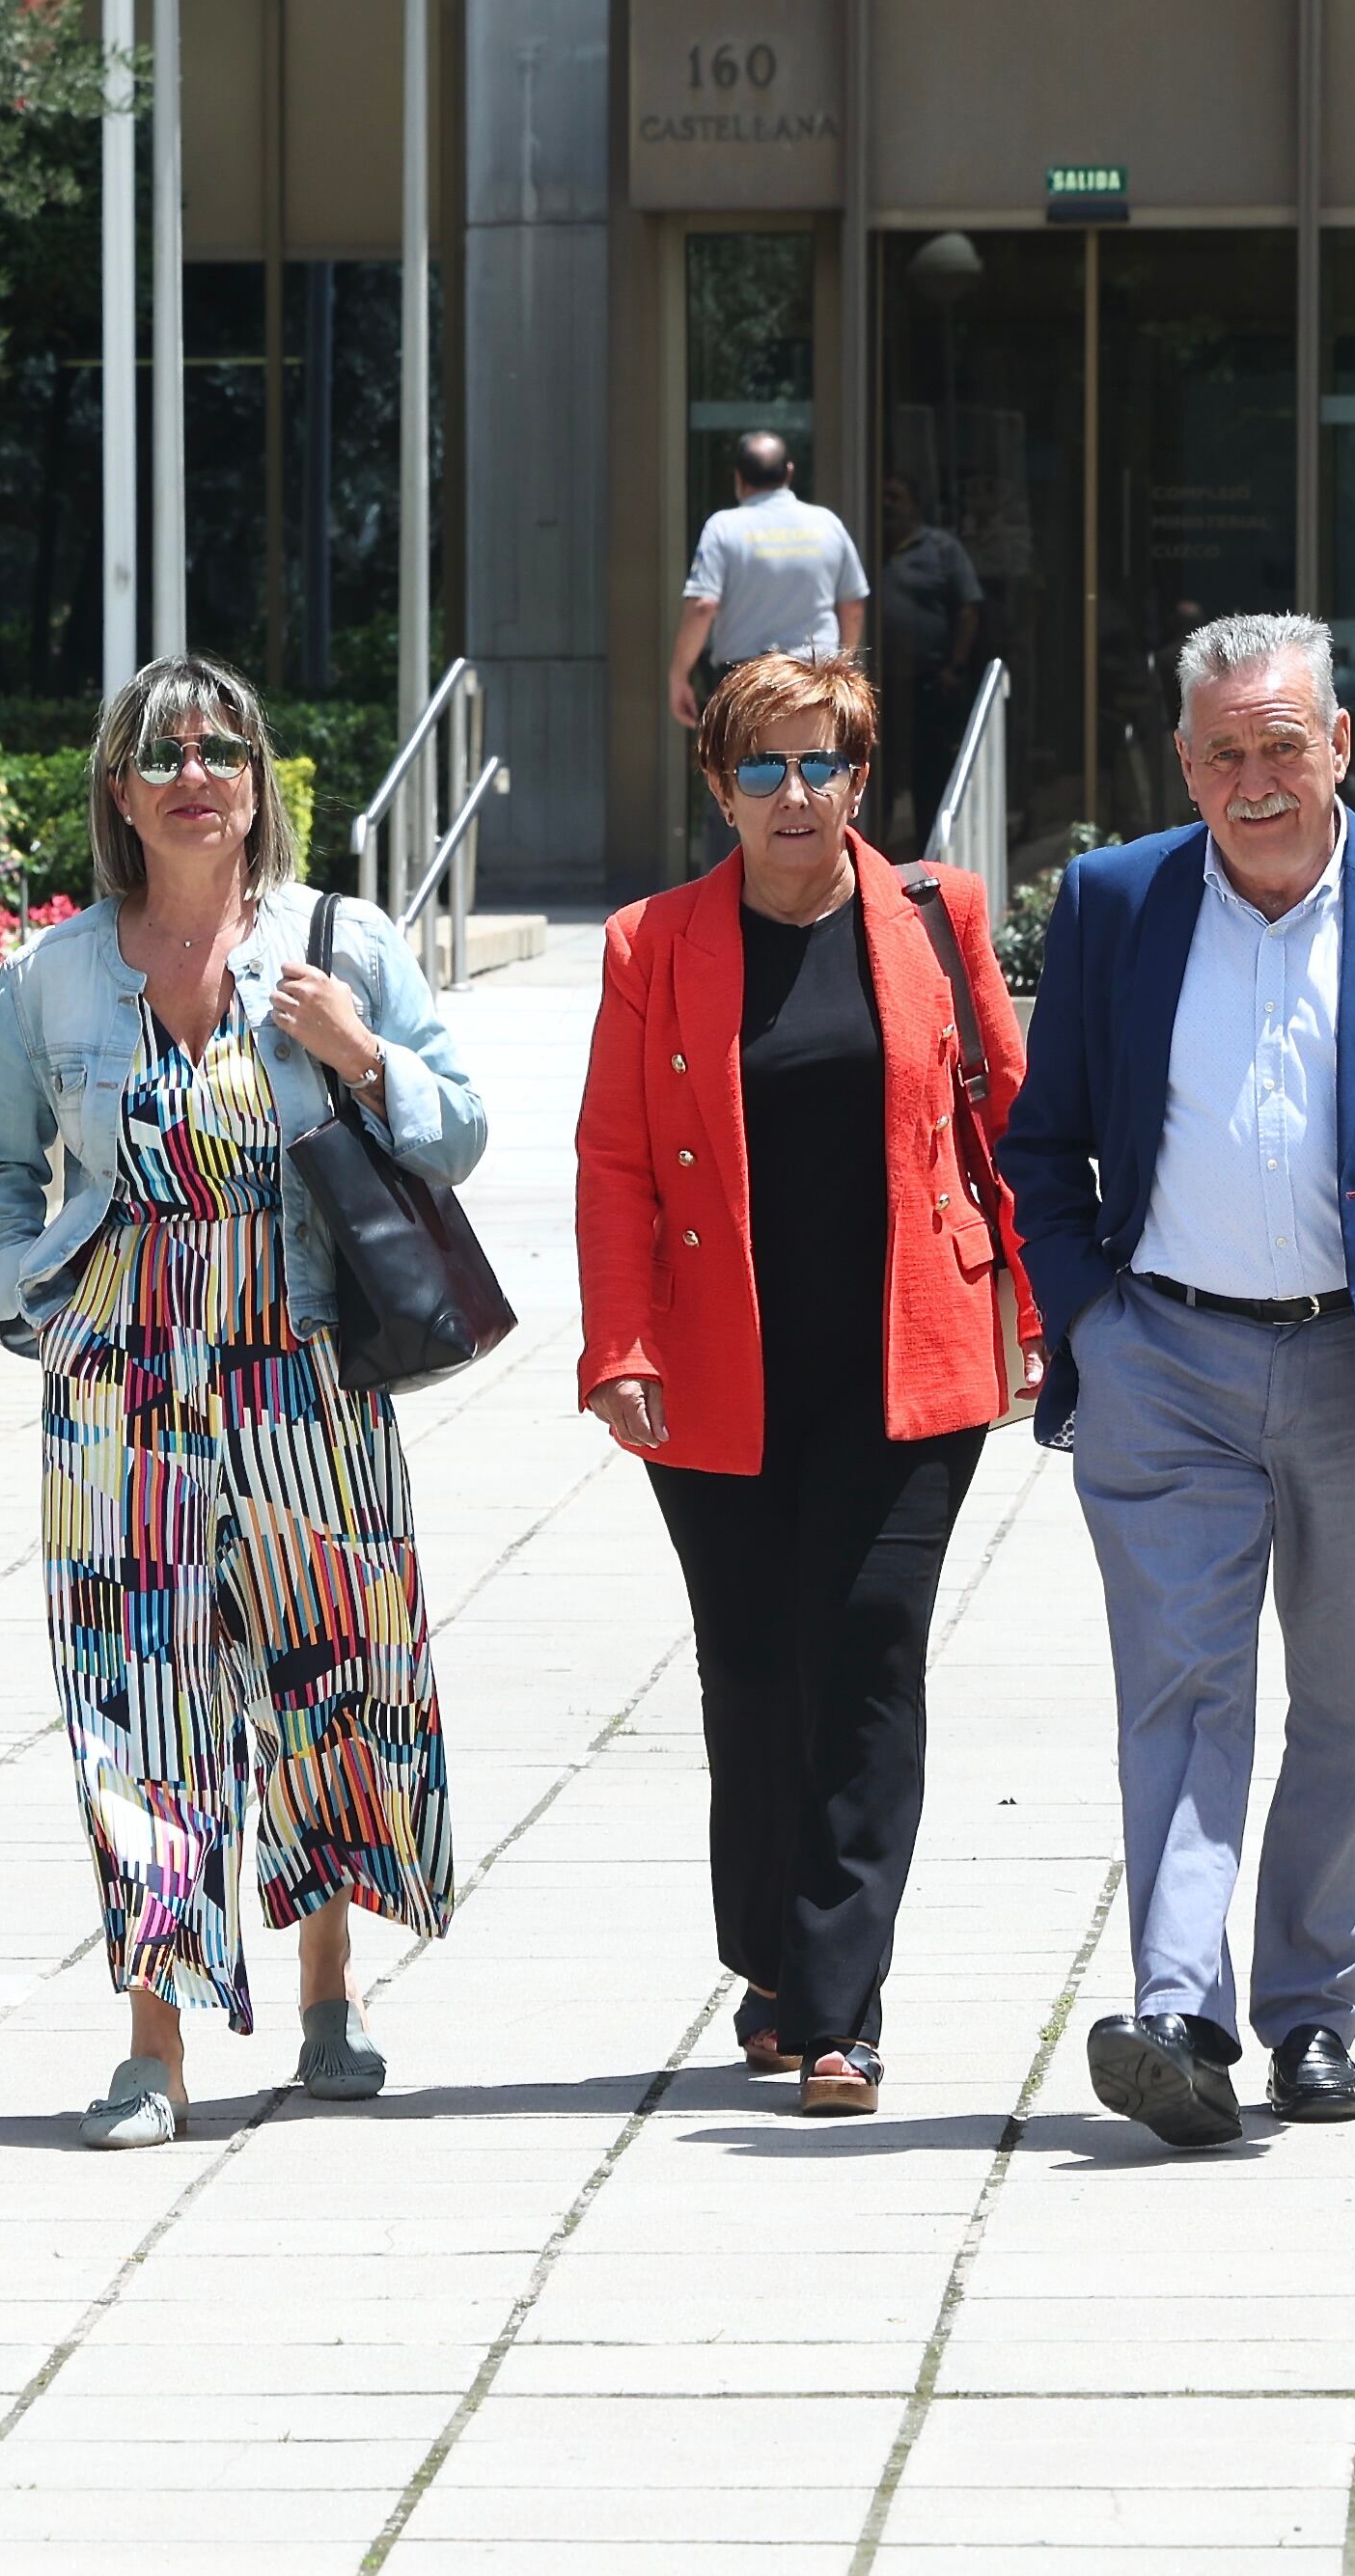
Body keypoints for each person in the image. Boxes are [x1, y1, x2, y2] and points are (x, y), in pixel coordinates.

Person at [997, 611, 1355, 2151]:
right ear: (1181, 764)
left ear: (1341, 748)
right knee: (1182, 1693)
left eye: (1282, 747)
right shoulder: (1113, 905)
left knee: (1348, 1706)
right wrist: (1086, 1326)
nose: (1255, 779)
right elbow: (1042, 1147)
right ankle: (1181, 2010)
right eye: (1224, 752)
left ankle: (1315, 2013)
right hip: (1159, 1357)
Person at [0, 655, 486, 2150]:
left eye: (222, 750)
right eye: (161, 752)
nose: (196, 773)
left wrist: (360, 1053)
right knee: (136, 1706)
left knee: (332, 1677)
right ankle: (156, 2041)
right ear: (120, 792)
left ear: (259, 784)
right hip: (120, 1386)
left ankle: (329, 1983)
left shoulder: (344, 944)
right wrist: (28, 1292)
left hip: (304, 1370)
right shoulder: (52, 978)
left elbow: (461, 1132)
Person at [573, 651, 1038, 2118]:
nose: (795, 795)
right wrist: (620, 1347)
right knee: (756, 1670)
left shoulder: (935, 916)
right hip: (718, 1372)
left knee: (868, 1650)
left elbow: (1010, 1123)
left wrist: (1043, 1314)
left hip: (909, 1361)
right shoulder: (652, 944)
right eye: (762, 767)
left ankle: (841, 2009)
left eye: (822, 762)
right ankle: (770, 1962)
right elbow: (616, 1163)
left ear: (860, 778)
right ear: (719, 785)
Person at [669, 430, 869, 732]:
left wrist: (679, 675)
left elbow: (702, 606)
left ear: (738, 478)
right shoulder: (827, 523)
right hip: (815, 674)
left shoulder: (723, 528)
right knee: (819, 763)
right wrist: (845, 668)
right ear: (789, 471)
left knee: (750, 768)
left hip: (748, 679)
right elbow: (853, 606)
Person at [877, 474, 986, 835]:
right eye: (882, 498)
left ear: (913, 504)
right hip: (880, 683)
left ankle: (930, 846)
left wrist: (955, 666)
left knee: (929, 770)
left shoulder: (941, 549)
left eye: (895, 496)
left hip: (930, 680)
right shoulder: (866, 542)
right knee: (881, 770)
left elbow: (969, 607)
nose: (887, 505)